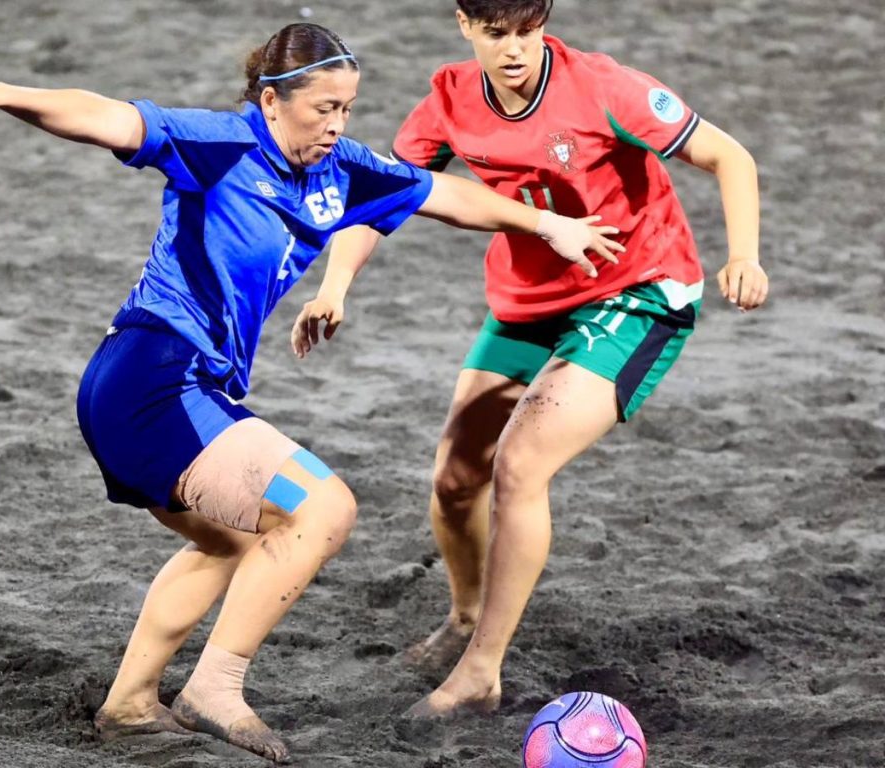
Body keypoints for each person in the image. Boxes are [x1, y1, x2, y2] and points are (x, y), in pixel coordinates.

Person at [0, 22, 622, 761]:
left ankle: (129, 704)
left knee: (231, 542)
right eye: (323, 109)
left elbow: (443, 193)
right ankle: (215, 688)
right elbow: (106, 117)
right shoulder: (220, 143)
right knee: (325, 508)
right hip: (155, 378)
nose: (337, 124)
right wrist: (5, 93)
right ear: (273, 100)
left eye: (347, 108)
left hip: (167, 385)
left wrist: (547, 223)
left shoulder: (340, 170)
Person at [291, 1, 769, 719]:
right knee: (455, 481)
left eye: (527, 31)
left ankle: (481, 673)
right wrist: (334, 286)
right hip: (531, 300)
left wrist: (744, 256)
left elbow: (730, 155)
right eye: (496, 33)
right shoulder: (450, 98)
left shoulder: (604, 87)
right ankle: (465, 617)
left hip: (638, 292)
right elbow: (383, 197)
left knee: (519, 465)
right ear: (464, 24)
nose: (514, 49)